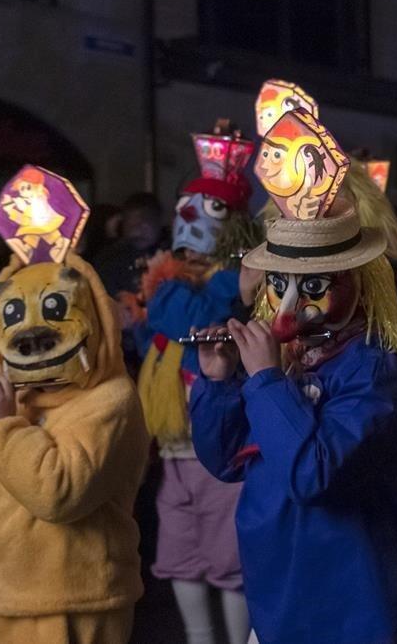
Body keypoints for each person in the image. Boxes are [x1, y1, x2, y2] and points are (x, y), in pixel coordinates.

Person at [188, 119, 397, 642]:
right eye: (278, 284)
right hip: (277, 599)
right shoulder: (286, 358)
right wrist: (219, 384)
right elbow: (224, 459)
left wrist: (268, 379)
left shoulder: (373, 366)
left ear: (354, 283)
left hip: (348, 607)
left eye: (314, 286)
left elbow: (313, 475)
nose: (289, 307)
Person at [0, 165, 149, 643]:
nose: (31, 335)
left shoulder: (108, 400)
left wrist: (1, 428)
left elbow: (57, 494)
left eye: (55, 309)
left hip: (74, 603)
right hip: (0, 596)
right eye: (13, 317)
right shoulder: (17, 398)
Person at [135, 122, 256, 644]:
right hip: (170, 447)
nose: (187, 214)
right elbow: (153, 344)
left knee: (228, 560)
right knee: (180, 558)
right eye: (186, 203)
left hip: (217, 443)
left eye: (207, 208)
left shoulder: (234, 278)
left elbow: (191, 320)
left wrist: (160, 294)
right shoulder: (174, 281)